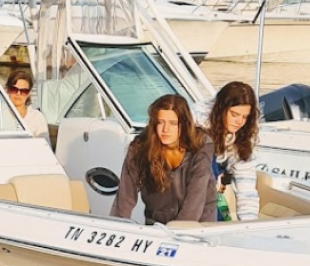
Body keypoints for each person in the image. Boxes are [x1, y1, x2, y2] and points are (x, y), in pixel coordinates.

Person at [111, 94, 216, 224]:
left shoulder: (201, 147)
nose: (165, 129)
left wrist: (179, 230)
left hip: (199, 223)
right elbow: (125, 197)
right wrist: (116, 227)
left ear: (184, 124)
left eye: (173, 123)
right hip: (157, 223)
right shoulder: (139, 148)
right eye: (160, 122)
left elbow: (195, 200)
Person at [194, 81, 260, 221]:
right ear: (221, 109)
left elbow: (247, 191)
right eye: (234, 114)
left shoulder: (241, 141)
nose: (239, 122)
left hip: (210, 200)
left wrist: (248, 225)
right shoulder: (194, 127)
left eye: (245, 117)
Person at [0, 69, 48, 139]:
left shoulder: (37, 117)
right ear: (7, 89)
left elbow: (45, 143)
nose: (18, 93)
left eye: (24, 91)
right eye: (14, 89)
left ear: (29, 93)